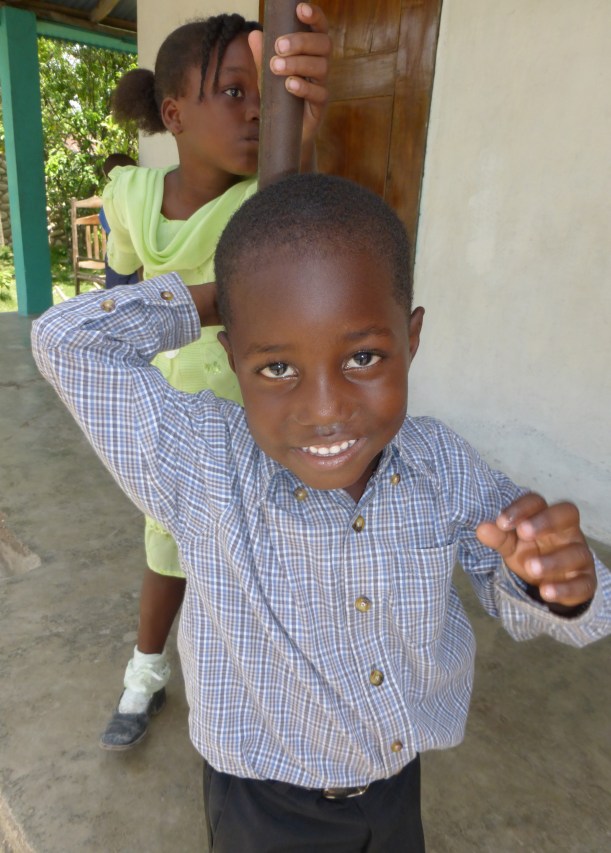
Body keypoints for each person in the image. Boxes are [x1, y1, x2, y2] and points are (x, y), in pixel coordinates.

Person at [32, 173, 611, 852]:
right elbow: (67, 341)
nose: (326, 407)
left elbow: (514, 579)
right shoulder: (201, 462)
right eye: (277, 366)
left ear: (411, 337)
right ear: (232, 357)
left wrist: (558, 585)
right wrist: (221, 300)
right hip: (262, 808)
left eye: (362, 356)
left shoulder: (441, 463)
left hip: (394, 788)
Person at [94, 6, 331, 750]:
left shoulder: (257, 202)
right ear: (174, 112)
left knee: (254, 562)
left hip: (256, 428)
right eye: (234, 92)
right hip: (173, 427)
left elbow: (288, 191)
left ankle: (256, 686)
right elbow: (116, 292)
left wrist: (304, 125)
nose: (257, 109)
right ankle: (145, 671)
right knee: (165, 554)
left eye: (265, 93)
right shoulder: (130, 196)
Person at [98, 153, 139, 289]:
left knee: (115, 296)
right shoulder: (141, 194)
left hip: (117, 255)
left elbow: (107, 225)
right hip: (140, 253)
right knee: (138, 292)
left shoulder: (110, 197)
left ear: (107, 177)